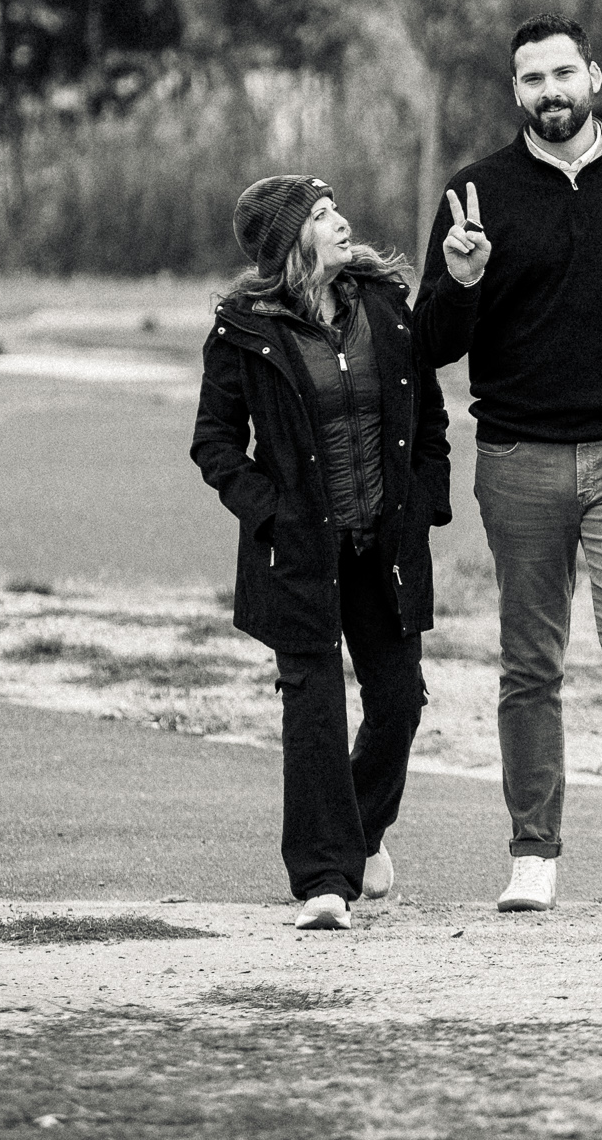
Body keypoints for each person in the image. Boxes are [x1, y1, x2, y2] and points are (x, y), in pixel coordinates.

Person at [417, 13, 602, 915]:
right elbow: (430, 343)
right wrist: (461, 281)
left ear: (592, 76)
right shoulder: (474, 193)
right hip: (519, 457)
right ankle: (533, 852)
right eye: (531, 79)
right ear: (515, 93)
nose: (550, 91)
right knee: (530, 662)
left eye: (563, 73)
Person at [191, 174, 474, 930]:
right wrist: (272, 514)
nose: (342, 222)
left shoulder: (384, 307)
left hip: (382, 544)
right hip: (300, 554)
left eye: (335, 207)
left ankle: (358, 833)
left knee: (398, 702)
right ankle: (323, 881)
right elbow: (215, 444)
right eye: (321, 215)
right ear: (289, 244)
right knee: (313, 713)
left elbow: (431, 418)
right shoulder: (243, 330)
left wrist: (426, 504)